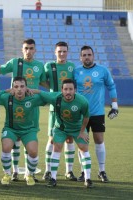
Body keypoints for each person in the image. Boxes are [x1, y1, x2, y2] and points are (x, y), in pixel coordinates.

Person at [0, 38, 47, 181]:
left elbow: (45, 83)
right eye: (26, 48)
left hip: (32, 107)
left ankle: (29, 172)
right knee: (14, 141)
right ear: (22, 49)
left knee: (28, 141)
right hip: (15, 105)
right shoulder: (15, 63)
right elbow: (0, 70)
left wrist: (41, 91)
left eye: (31, 48)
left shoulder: (39, 65)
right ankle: (14, 171)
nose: (28, 51)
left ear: (35, 50)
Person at [33, 78, 93, 188]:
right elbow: (41, 93)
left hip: (77, 128)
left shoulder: (82, 101)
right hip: (60, 128)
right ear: (62, 90)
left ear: (75, 90)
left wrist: (82, 131)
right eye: (65, 89)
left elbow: (86, 117)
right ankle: (53, 178)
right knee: (57, 148)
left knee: (84, 148)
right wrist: (28, 90)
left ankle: (88, 179)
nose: (68, 92)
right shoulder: (56, 97)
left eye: (70, 89)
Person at [74, 45, 118, 183]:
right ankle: (83, 171)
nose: (87, 57)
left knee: (99, 140)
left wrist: (114, 105)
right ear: (80, 57)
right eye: (84, 55)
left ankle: (102, 171)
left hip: (98, 112)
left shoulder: (102, 70)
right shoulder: (76, 72)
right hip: (81, 114)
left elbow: (111, 86)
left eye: (89, 54)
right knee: (82, 143)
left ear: (93, 56)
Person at [0, 77, 46, 186]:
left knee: (33, 152)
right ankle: (7, 174)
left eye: (22, 86)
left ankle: (29, 174)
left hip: (28, 130)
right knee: (6, 147)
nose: (19, 89)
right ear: (12, 88)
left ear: (26, 88)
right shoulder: (7, 98)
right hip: (11, 129)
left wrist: (36, 90)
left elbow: (50, 96)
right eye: (16, 87)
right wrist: (5, 91)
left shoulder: (33, 98)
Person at [42, 41, 77, 181]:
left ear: (67, 52)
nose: (62, 54)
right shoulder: (49, 66)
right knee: (51, 139)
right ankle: (47, 170)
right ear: (55, 52)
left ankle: (69, 171)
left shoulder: (71, 66)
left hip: (69, 108)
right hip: (54, 109)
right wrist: (53, 90)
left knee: (69, 138)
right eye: (59, 51)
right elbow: (42, 80)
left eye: (64, 51)